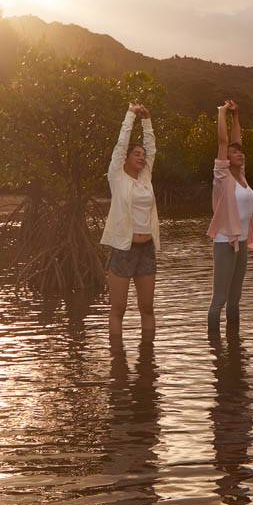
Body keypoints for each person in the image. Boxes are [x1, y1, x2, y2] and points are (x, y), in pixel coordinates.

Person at [102, 103, 158, 346]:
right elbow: (120, 145)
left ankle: (148, 359)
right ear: (125, 158)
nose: (142, 158)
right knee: (119, 308)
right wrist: (131, 115)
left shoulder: (145, 177)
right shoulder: (117, 176)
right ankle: (117, 365)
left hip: (147, 249)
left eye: (143, 156)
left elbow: (152, 149)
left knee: (147, 307)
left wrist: (147, 122)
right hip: (124, 249)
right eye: (137, 154)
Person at [207, 99, 253, 332]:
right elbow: (224, 141)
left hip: (242, 242)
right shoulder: (222, 177)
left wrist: (236, 116)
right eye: (233, 153)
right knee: (219, 300)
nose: (239, 153)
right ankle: (216, 353)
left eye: (240, 152)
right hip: (225, 242)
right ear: (225, 158)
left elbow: (236, 140)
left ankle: (235, 351)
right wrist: (222, 112)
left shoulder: (242, 176)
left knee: (235, 300)